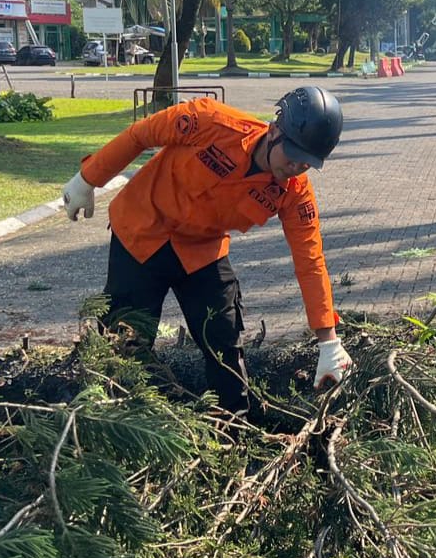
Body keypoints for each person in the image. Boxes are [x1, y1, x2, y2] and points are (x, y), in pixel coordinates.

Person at [61, 87, 352, 411]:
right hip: (140, 233)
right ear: (274, 132)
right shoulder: (208, 121)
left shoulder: (293, 192)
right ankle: (117, 421)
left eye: (307, 163)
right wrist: (87, 179)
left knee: (224, 342)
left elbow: (310, 261)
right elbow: (140, 134)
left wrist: (328, 340)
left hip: (200, 251)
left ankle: (234, 427)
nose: (297, 167)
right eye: (294, 155)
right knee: (125, 341)